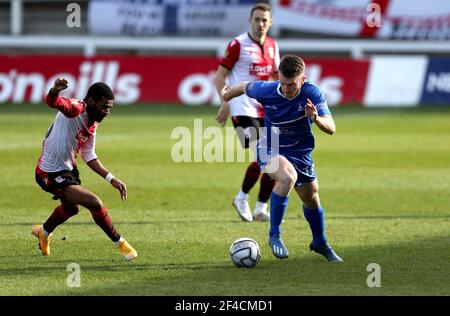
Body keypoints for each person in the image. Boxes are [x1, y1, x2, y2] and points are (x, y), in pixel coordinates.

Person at [221, 55, 343, 262]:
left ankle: (320, 242)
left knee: (311, 197)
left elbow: (331, 128)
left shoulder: (312, 93)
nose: (287, 89)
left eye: (292, 85)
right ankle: (274, 235)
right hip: (271, 147)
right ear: (279, 77)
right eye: (284, 83)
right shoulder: (267, 90)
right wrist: (226, 96)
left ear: (302, 79)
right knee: (287, 177)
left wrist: (315, 118)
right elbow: (243, 87)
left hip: (300, 152)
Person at [32, 78, 138, 260]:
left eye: (109, 108)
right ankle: (121, 244)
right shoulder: (76, 109)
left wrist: (111, 179)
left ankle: (43, 231)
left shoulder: (93, 123)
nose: (107, 112)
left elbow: (88, 154)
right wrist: (55, 91)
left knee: (71, 210)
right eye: (104, 106)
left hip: (67, 170)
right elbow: (54, 102)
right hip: (48, 173)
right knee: (94, 203)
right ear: (90, 102)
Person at [215, 3, 279, 222]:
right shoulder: (237, 45)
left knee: (274, 158)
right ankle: (241, 198)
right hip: (242, 106)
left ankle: (261, 207)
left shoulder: (272, 45)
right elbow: (220, 76)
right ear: (250, 20)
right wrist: (225, 101)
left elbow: (277, 78)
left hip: (265, 108)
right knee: (264, 156)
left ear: (270, 23)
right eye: (257, 19)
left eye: (264, 20)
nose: (260, 24)